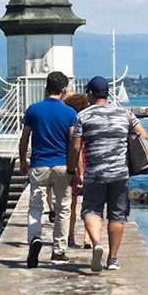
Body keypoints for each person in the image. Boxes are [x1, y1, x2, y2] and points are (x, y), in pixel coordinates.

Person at [68, 74, 148, 272]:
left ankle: (97, 243)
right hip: (120, 173)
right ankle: (112, 259)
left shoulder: (83, 116)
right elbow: (143, 135)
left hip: (95, 173)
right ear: (108, 93)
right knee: (117, 215)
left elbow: (76, 146)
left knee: (91, 211)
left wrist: (72, 171)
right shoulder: (125, 113)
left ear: (90, 93)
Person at [16, 70, 77, 267]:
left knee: (35, 206)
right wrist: (75, 168)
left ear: (46, 87)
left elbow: (24, 137)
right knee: (63, 208)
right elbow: (72, 142)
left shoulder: (33, 110)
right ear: (63, 89)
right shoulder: (69, 112)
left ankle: (35, 237)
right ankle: (59, 251)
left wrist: (23, 160)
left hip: (39, 164)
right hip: (61, 164)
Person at [61, 90, 90, 246]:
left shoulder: (70, 125)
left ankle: (70, 237)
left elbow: (74, 148)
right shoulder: (88, 122)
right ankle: (87, 236)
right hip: (89, 166)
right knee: (89, 204)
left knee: (70, 205)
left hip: (72, 165)